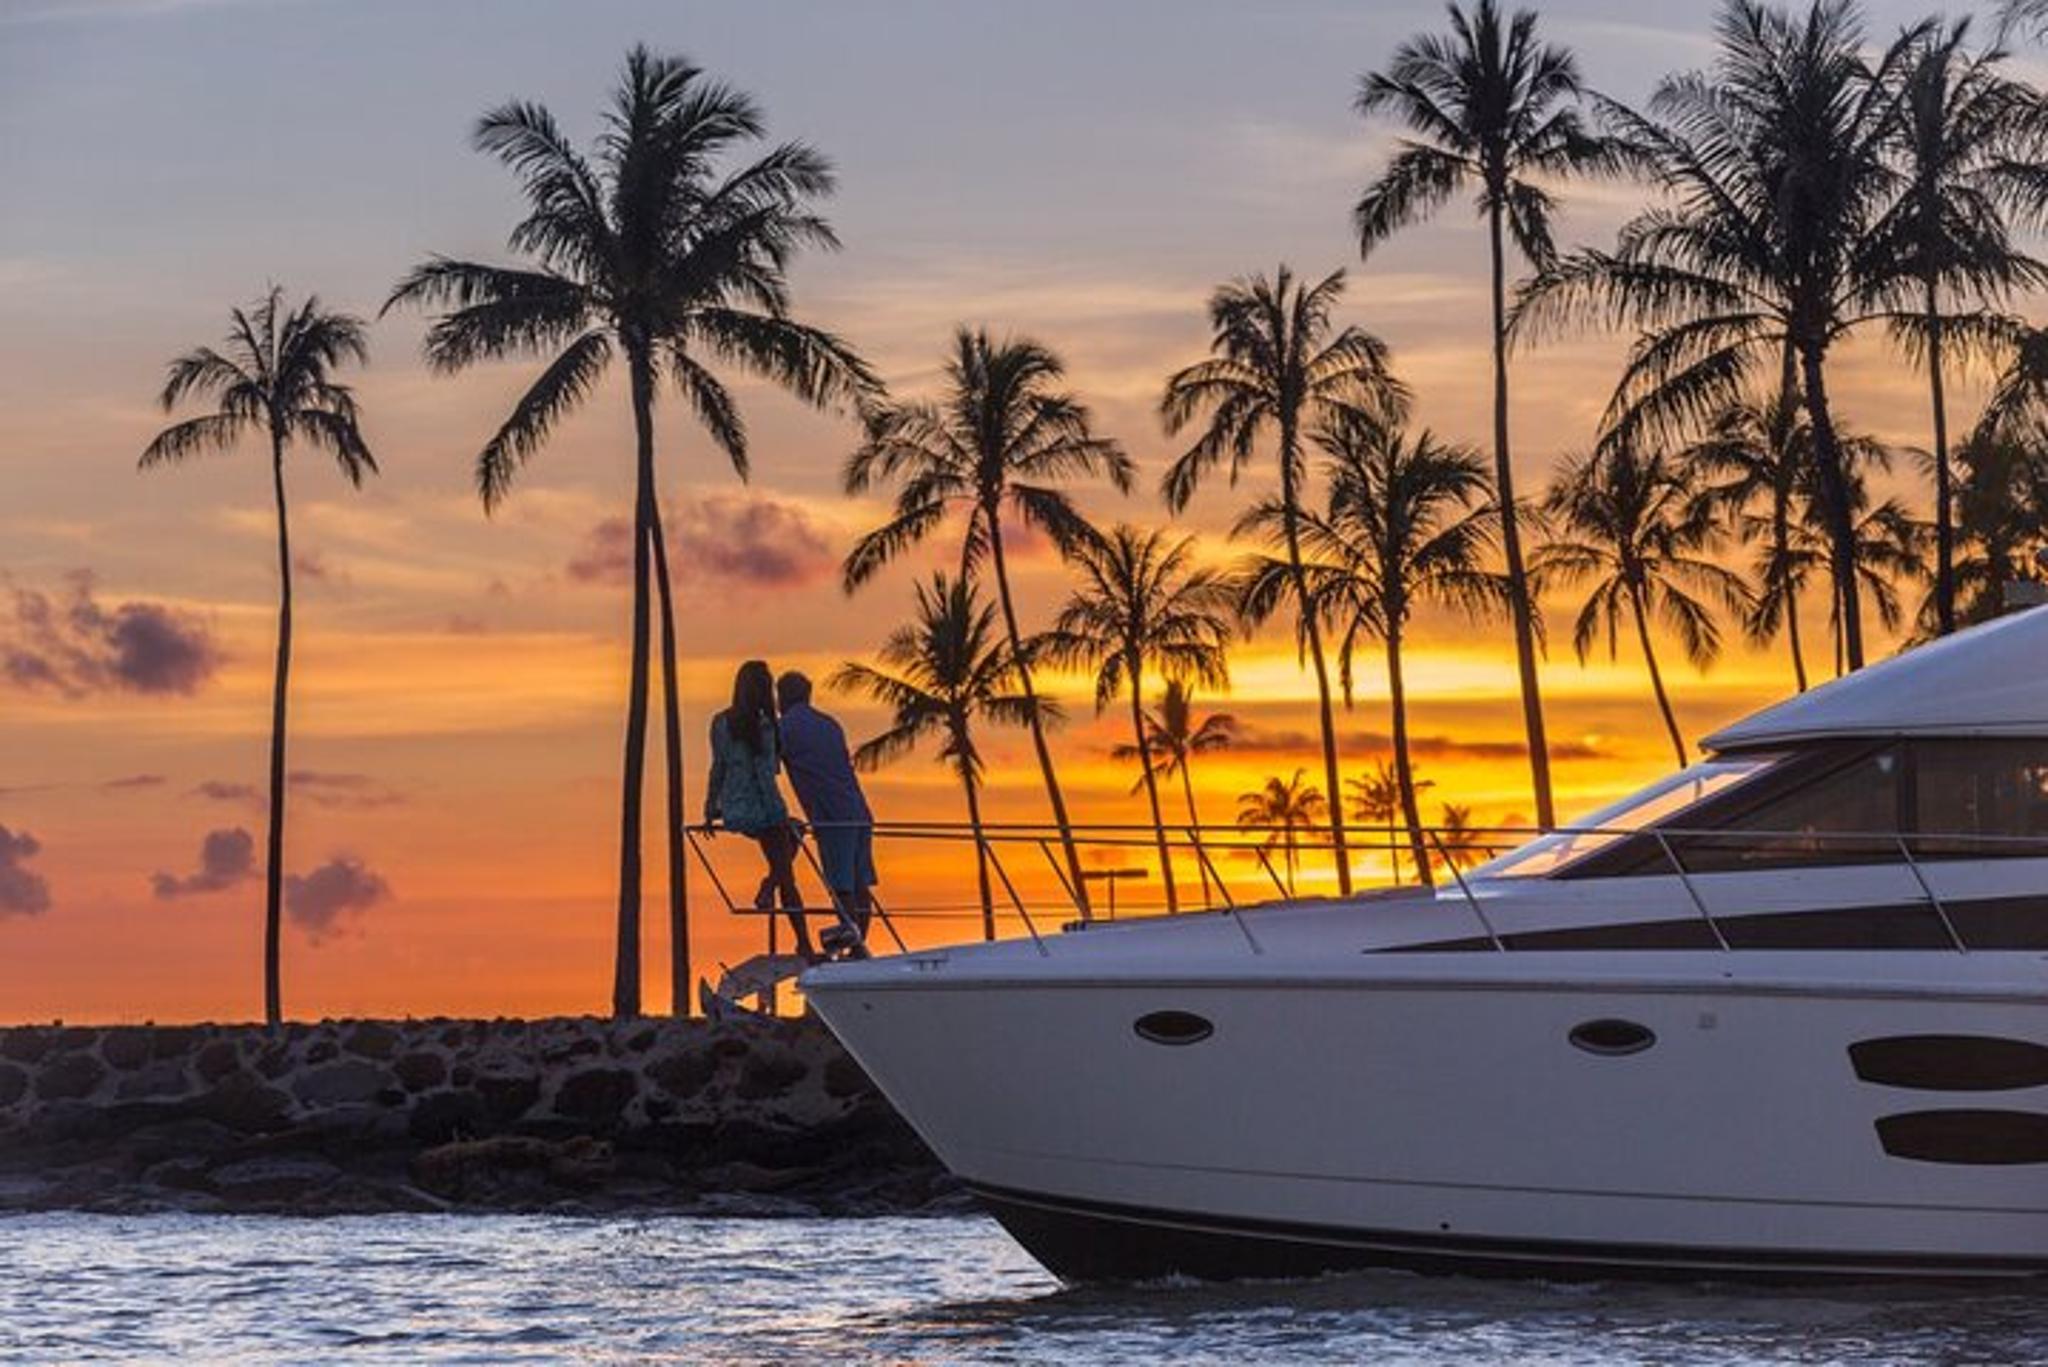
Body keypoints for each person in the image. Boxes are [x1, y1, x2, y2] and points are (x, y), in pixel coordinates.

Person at [705, 660, 814, 959]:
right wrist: (776, 813)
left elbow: (718, 767)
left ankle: (769, 884)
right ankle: (802, 941)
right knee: (788, 875)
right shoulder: (765, 726)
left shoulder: (720, 722)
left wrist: (710, 807)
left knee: (792, 838)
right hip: (763, 809)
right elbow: (765, 774)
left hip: (734, 810)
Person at [776, 669, 877, 957]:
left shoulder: (785, 729)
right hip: (858, 810)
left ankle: (855, 944)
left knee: (841, 886)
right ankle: (859, 945)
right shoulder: (830, 724)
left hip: (832, 815)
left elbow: (769, 764)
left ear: (782, 697)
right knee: (860, 884)